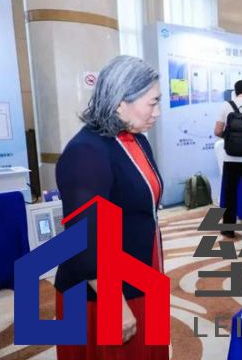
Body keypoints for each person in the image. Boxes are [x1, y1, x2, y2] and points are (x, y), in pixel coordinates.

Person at [54, 55, 168, 359]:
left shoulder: (135, 139)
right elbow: (84, 239)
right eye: (152, 102)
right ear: (120, 103)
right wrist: (113, 304)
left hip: (140, 271)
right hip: (102, 290)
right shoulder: (86, 152)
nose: (157, 112)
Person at [214, 79, 242, 239]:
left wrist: (229, 138)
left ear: (235, 91)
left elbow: (217, 131)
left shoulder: (226, 106)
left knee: (229, 193)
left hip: (230, 157)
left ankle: (228, 228)